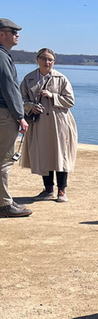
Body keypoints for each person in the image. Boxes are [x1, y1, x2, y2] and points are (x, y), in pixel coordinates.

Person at [19, 48, 77, 203]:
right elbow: (20, 99)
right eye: (44, 59)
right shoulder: (29, 79)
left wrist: (53, 96)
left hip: (59, 123)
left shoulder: (61, 78)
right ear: (37, 59)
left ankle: (62, 190)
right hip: (39, 123)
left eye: (50, 60)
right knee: (44, 155)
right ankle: (48, 189)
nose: (47, 62)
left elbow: (71, 101)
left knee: (60, 156)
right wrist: (30, 106)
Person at [0, 18, 31, 217]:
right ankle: (4, 205)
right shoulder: (2, 56)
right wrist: (20, 115)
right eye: (13, 31)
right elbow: (9, 86)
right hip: (4, 114)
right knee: (4, 160)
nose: (17, 35)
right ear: (1, 34)